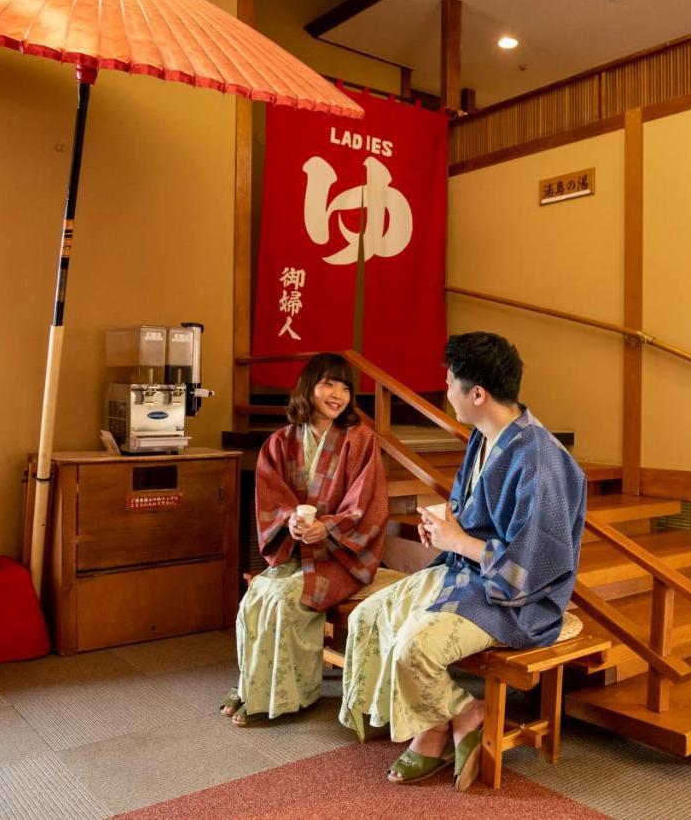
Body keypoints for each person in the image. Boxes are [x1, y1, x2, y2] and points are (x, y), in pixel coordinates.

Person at [338, 332, 587, 790]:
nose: (445, 389)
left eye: (449, 381)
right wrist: (445, 527)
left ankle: (450, 721)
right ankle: (448, 717)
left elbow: (531, 565)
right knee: (369, 615)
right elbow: (471, 511)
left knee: (415, 645)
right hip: (469, 571)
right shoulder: (484, 436)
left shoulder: (540, 461)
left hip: (518, 598)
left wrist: (456, 540)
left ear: (478, 394)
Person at [221, 353, 388, 726]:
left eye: (345, 388)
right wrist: (292, 523)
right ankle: (252, 685)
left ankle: (286, 696)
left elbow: (367, 503)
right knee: (255, 598)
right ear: (308, 387)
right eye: (329, 384)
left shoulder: (360, 440)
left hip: (342, 556)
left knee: (285, 600)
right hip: (296, 549)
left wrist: (327, 526)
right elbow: (272, 498)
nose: (338, 394)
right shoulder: (281, 442)